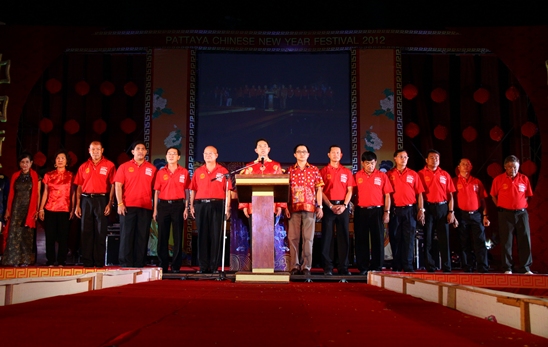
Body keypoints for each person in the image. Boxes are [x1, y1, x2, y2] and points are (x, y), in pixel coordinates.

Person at [189, 146, 232, 274]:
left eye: (211, 153)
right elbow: (193, 190)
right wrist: (191, 206)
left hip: (217, 205)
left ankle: (214, 266)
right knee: (202, 235)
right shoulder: (198, 171)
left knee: (215, 235)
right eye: (206, 153)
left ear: (216, 155)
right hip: (201, 205)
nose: (208, 155)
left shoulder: (223, 171)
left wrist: (228, 207)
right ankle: (203, 266)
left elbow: (228, 191)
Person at [114, 141, 157, 268]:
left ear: (146, 152)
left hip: (145, 207)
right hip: (128, 206)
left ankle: (140, 262)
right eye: (138, 149)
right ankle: (125, 262)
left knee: (142, 235)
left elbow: (156, 190)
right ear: (133, 152)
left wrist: (155, 208)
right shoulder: (124, 167)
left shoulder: (152, 168)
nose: (140, 151)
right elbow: (118, 185)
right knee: (127, 235)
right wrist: (120, 203)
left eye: (143, 149)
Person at [74, 141, 116, 267]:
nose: (95, 152)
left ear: (102, 150)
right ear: (89, 150)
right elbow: (79, 187)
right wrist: (77, 205)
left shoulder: (109, 165)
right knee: (86, 231)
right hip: (86, 200)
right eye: (93, 149)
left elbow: (113, 184)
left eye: (98, 149)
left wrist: (110, 202)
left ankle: (99, 262)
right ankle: (87, 261)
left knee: (100, 230)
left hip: (102, 199)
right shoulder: (83, 166)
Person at [284, 144, 324, 276]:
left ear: (308, 154)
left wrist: (320, 206)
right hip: (293, 208)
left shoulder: (314, 170)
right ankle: (295, 266)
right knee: (293, 238)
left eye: (304, 152)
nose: (302, 154)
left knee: (308, 238)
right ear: (295, 155)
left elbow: (319, 189)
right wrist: (286, 206)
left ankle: (306, 266)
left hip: (310, 208)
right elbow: (285, 190)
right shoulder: (290, 170)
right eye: (299, 152)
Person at [490, 155, 533, 274]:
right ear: (505, 167)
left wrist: (519, 206)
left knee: (524, 240)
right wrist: (500, 205)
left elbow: (528, 196)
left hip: (521, 214)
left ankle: (525, 268)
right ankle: (507, 268)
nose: (512, 169)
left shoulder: (524, 179)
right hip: (505, 214)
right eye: (509, 166)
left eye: (514, 166)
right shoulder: (498, 179)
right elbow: (493, 195)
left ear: (518, 166)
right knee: (506, 241)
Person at [354, 151, 393, 274]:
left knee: (378, 238)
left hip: (377, 210)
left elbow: (387, 195)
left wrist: (386, 212)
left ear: (375, 162)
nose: (370, 165)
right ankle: (363, 266)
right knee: (361, 239)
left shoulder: (382, 176)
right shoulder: (357, 176)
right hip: (361, 211)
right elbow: (351, 193)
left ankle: (377, 266)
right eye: (367, 163)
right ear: (362, 163)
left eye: (372, 163)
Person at [418, 149, 456, 272]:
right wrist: (421, 210)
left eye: (437, 158)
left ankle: (446, 266)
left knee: (444, 238)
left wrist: (451, 212)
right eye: (432, 157)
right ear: (426, 160)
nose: (434, 160)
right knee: (428, 238)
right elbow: (419, 194)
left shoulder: (445, 174)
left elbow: (450, 195)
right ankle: (430, 266)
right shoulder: (420, 174)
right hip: (428, 207)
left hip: (442, 207)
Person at [387, 149, 425, 272]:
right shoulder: (389, 174)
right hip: (394, 210)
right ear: (395, 159)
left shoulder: (413, 174)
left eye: (405, 157)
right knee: (395, 237)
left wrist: (421, 210)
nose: (403, 159)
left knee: (409, 238)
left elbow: (419, 194)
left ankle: (408, 264)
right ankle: (397, 264)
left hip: (410, 210)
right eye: (401, 157)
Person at [153, 147, 189, 273]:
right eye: (169, 153)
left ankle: (176, 266)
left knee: (178, 236)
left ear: (179, 157)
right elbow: (156, 191)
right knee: (162, 235)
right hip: (163, 205)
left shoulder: (184, 172)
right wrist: (155, 210)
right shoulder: (161, 172)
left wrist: (186, 207)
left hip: (178, 205)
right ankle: (162, 264)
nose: (171, 156)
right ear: (166, 156)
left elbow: (187, 190)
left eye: (174, 154)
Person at [319, 145, 355, 276]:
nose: (335, 155)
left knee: (343, 236)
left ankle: (343, 266)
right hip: (328, 207)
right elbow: (320, 191)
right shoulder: (323, 171)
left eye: (338, 153)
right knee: (327, 237)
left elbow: (350, 190)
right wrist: (329, 205)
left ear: (341, 155)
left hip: (343, 206)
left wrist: (345, 205)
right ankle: (328, 267)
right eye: (333, 152)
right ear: (328, 154)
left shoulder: (347, 172)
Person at [1, 152, 40, 266]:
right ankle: (13, 260)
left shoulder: (35, 176)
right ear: (19, 163)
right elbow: (11, 194)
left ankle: (25, 260)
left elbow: (37, 194)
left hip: (29, 209)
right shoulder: (15, 176)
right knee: (14, 234)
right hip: (16, 208)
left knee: (26, 234)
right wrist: (8, 210)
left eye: (27, 162)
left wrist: (36, 210)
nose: (25, 165)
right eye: (22, 162)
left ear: (31, 163)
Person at [453, 158, 490, 273]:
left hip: (476, 215)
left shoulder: (476, 181)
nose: (465, 166)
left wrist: (485, 215)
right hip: (461, 215)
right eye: (463, 164)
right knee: (464, 241)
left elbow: (483, 199)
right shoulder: (454, 181)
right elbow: (451, 199)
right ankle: (467, 266)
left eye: (467, 164)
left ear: (471, 167)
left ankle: (482, 266)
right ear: (458, 167)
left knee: (480, 241)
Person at [38, 150, 74, 266]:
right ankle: (50, 260)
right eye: (58, 158)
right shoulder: (48, 175)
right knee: (50, 236)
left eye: (63, 158)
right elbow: (45, 193)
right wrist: (41, 209)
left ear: (67, 161)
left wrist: (73, 209)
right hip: (50, 208)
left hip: (64, 209)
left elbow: (73, 193)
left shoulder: (71, 176)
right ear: (55, 161)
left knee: (63, 236)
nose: (60, 160)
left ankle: (61, 261)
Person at [238, 139, 285, 219]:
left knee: (269, 230)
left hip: (271, 204)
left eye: (265, 146)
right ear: (256, 150)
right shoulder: (249, 167)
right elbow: (244, 187)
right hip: (253, 204)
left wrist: (280, 205)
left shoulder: (276, 166)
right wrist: (244, 206)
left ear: (269, 149)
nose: (263, 148)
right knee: (254, 230)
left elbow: (281, 186)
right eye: (260, 146)